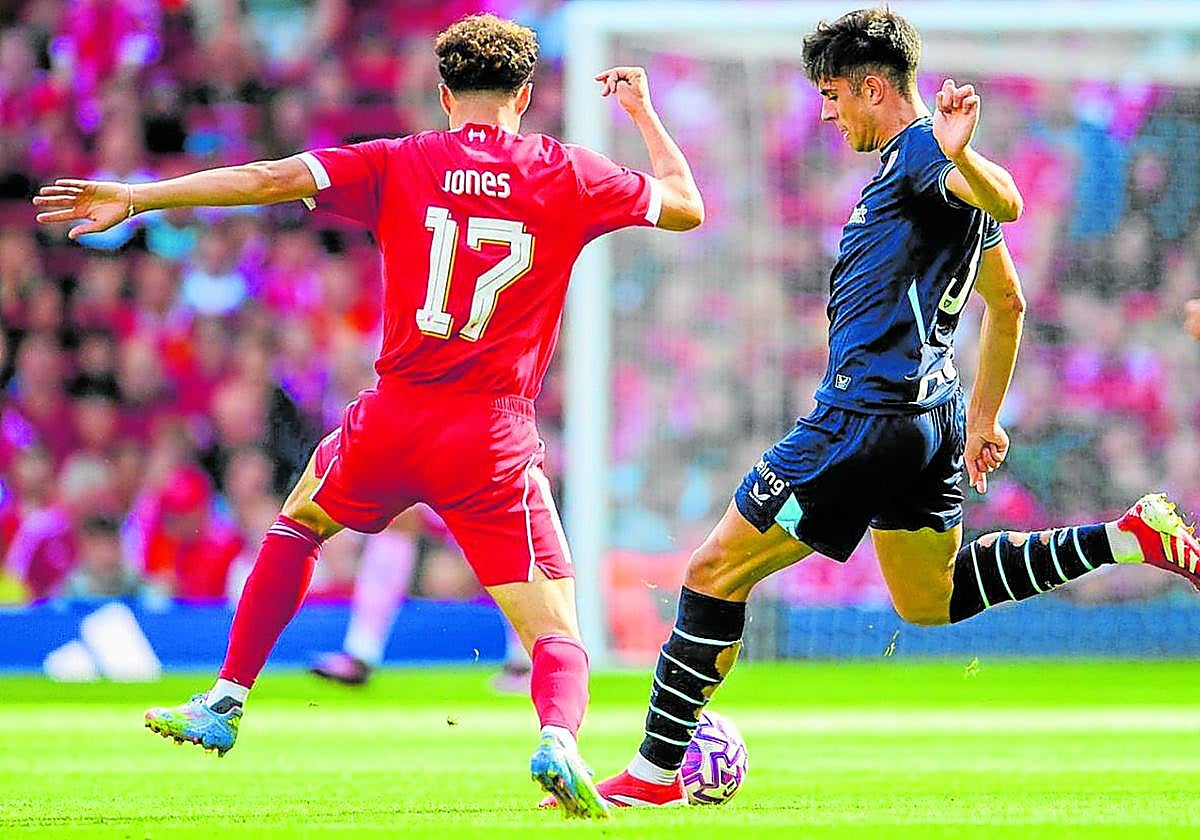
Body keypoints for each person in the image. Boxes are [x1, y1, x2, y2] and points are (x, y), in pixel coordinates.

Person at [34, 13, 703, 818]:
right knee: (556, 626)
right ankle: (559, 741)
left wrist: (140, 195)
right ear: (526, 93)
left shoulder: (401, 160)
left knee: (297, 524)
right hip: (488, 432)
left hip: (393, 414)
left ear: (444, 93)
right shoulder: (568, 171)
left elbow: (265, 180)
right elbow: (685, 205)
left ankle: (223, 700)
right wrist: (641, 114)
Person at [585, 8, 1200, 807]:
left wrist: (960, 150)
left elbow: (1008, 200)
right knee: (930, 599)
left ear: (874, 88)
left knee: (712, 571)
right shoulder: (930, 177)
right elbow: (1007, 304)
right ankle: (1127, 537)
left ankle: (656, 773)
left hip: (863, 418)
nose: (829, 113)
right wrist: (982, 418)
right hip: (930, 421)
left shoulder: (920, 156)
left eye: (834, 96)